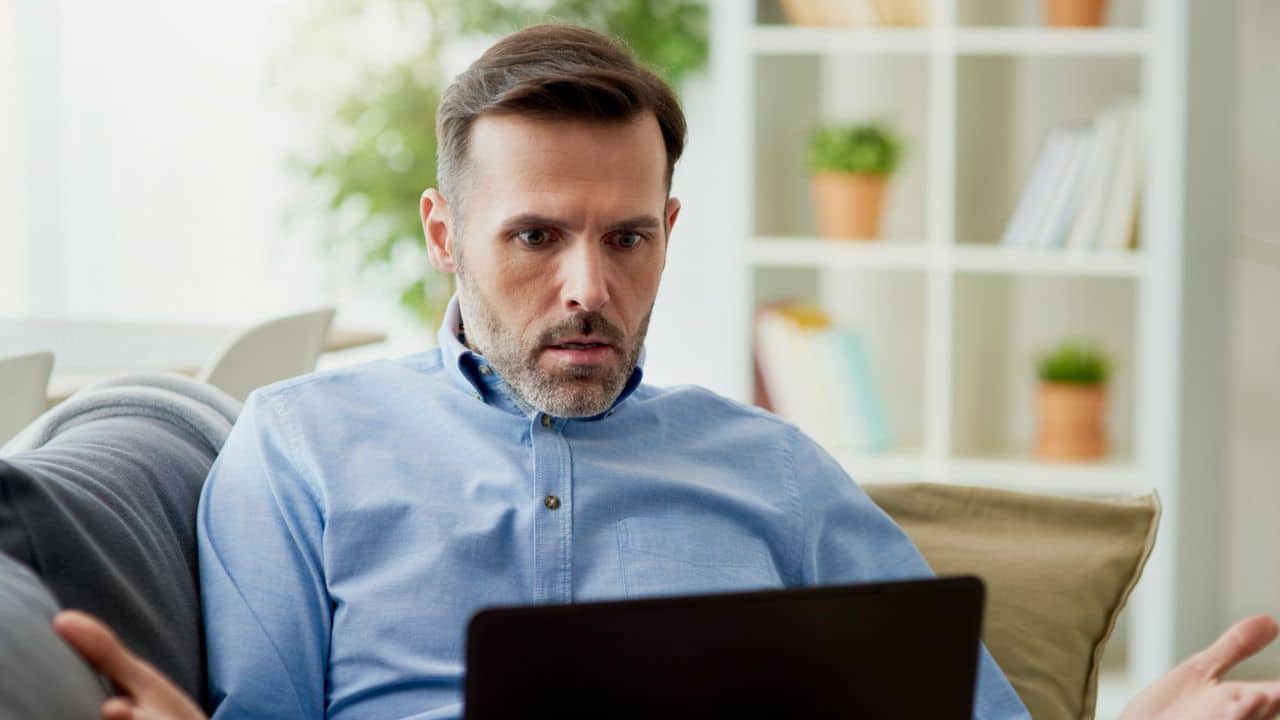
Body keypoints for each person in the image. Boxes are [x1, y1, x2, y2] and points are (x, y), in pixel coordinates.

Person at [50, 23, 1280, 720]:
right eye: (534, 236)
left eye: (626, 238)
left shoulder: (772, 468)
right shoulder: (298, 445)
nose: (587, 284)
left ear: (667, 233)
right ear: (442, 235)